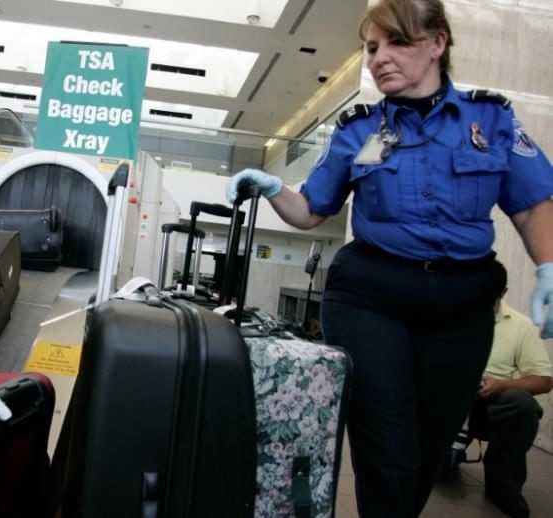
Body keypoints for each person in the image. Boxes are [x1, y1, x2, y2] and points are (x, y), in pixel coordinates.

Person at [225, 0, 553, 516]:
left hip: (461, 307)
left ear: (437, 43)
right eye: (372, 47)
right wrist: (273, 189)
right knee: (386, 445)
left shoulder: (491, 119)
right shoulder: (359, 129)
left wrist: (548, 267)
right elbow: (312, 209)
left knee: (429, 447)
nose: (379, 58)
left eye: (397, 42)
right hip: (371, 299)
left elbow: (532, 205)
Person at [453, 261, 552, 517]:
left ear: (503, 292)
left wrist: (501, 385)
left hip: (488, 405)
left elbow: (543, 380)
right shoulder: (447, 316)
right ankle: (440, 458)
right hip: (447, 402)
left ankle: (503, 487)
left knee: (521, 404)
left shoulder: (521, 325)